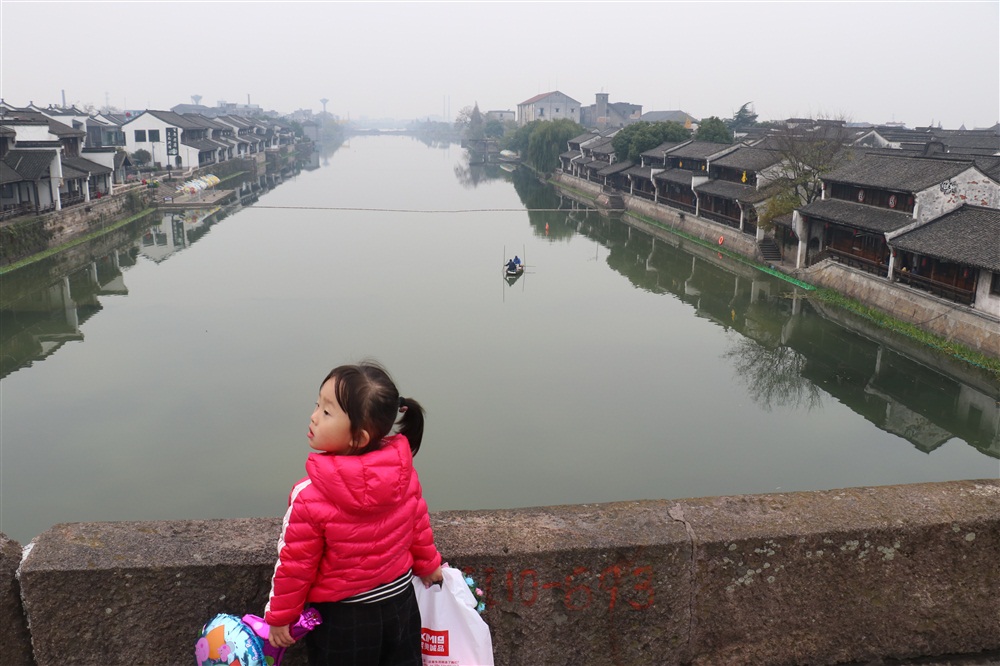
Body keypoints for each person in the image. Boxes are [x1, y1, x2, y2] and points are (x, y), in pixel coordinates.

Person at [265, 360, 443, 666]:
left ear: (358, 437)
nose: (314, 416)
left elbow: (296, 564)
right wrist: (428, 565)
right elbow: (418, 525)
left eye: (327, 412)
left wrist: (281, 617)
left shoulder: (310, 496)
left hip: (343, 619)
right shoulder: (403, 475)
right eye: (317, 405)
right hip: (401, 604)